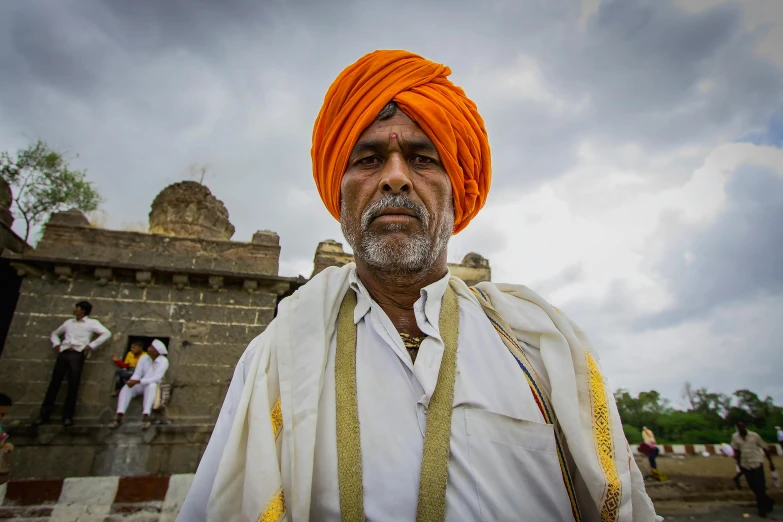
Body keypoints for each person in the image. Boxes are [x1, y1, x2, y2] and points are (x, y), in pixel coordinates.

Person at [178, 50, 658, 522]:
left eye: (422, 159)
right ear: (338, 191)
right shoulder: (275, 361)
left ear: (458, 189)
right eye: (368, 159)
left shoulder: (542, 349)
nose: (394, 178)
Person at [36, 301, 111, 427]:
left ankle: (68, 416)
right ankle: (44, 415)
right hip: (64, 352)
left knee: (73, 384)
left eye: (78, 308)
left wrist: (91, 346)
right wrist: (57, 344)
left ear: (83, 310)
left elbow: (106, 333)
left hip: (77, 353)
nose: (75, 310)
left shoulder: (91, 323)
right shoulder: (68, 322)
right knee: (54, 383)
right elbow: (55, 333)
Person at [109, 339, 169, 430]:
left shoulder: (163, 361)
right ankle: (119, 416)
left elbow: (156, 378)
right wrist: (132, 381)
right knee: (126, 388)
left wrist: (139, 381)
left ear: (156, 352)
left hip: (154, 386)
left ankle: (146, 417)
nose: (148, 349)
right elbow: (137, 373)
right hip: (140, 383)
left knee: (151, 386)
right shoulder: (144, 358)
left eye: (151, 348)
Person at [732, 421, 775, 517]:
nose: (741, 429)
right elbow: (737, 451)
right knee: (753, 486)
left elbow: (764, 447)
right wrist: (739, 464)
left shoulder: (754, 436)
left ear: (745, 427)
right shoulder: (735, 437)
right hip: (745, 464)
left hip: (756, 462)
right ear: (737, 428)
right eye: (739, 427)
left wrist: (771, 462)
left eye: (742, 427)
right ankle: (768, 501)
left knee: (760, 486)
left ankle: (762, 509)